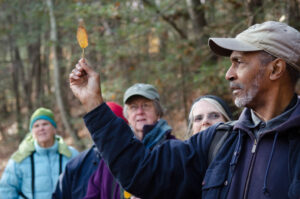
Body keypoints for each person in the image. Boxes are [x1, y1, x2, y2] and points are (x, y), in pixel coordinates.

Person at [69, 21, 300, 199]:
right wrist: (94, 104)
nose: (228, 74)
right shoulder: (218, 142)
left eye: (239, 62)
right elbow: (142, 171)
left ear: (275, 69)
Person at [84, 83, 175, 199]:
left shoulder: (173, 149)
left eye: (146, 105)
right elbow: (93, 194)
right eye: (133, 107)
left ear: (158, 111)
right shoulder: (113, 153)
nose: (140, 112)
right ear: (127, 115)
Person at [52, 102, 127, 199]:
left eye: (112, 126)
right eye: (101, 125)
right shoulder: (76, 165)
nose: (106, 132)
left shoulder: (137, 161)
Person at [0, 107, 79, 199]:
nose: (41, 128)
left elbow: (84, 186)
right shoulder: (19, 158)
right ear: (32, 132)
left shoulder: (71, 155)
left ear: (54, 129)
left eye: (45, 124)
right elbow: (6, 190)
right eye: (36, 126)